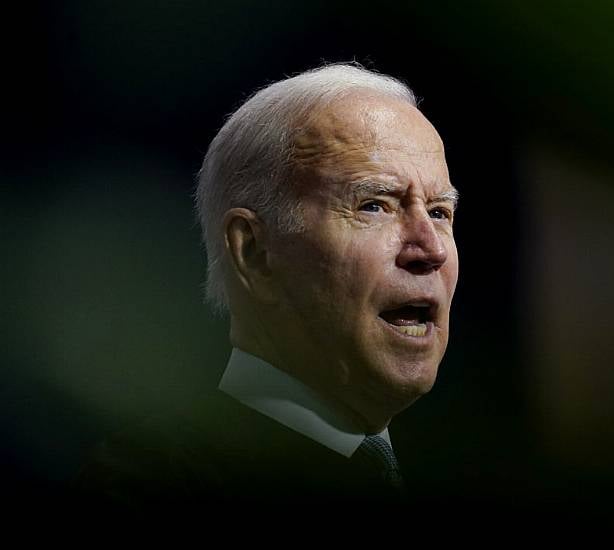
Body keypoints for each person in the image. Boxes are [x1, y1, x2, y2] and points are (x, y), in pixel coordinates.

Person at [74, 63, 459, 509]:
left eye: (438, 212)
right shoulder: (147, 487)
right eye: (374, 205)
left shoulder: (471, 469)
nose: (431, 250)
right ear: (254, 252)